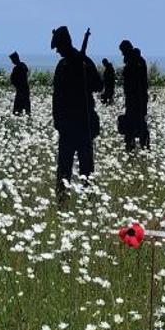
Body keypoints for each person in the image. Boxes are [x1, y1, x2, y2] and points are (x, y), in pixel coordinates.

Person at [51, 26, 100, 200]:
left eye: (58, 47)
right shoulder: (68, 64)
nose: (57, 51)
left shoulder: (81, 63)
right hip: (70, 126)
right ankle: (63, 199)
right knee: (66, 167)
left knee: (84, 167)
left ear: (65, 44)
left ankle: (87, 200)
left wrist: (84, 70)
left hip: (81, 123)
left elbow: (98, 86)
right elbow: (56, 97)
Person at [119, 40, 151, 150]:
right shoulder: (135, 61)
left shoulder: (136, 62)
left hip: (137, 98)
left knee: (137, 122)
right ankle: (137, 144)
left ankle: (139, 145)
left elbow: (137, 82)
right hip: (134, 98)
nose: (122, 54)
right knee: (136, 122)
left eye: (123, 51)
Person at [9, 51, 32, 116]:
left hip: (20, 88)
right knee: (26, 101)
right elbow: (27, 73)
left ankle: (19, 113)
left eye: (12, 60)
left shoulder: (16, 68)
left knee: (19, 102)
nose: (12, 62)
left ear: (15, 59)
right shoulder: (23, 65)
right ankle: (27, 113)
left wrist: (15, 83)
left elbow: (13, 78)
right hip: (25, 87)